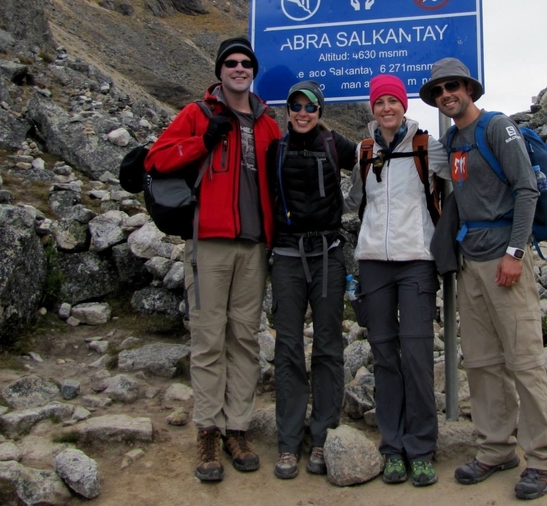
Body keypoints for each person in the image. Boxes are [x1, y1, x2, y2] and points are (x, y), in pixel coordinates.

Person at [419, 57, 547, 500]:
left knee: (523, 360)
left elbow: (526, 189)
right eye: (439, 91)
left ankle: (541, 458)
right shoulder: (455, 140)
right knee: (481, 362)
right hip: (471, 264)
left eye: (453, 87)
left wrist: (516, 252)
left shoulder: (497, 128)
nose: (446, 95)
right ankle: (495, 447)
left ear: (470, 89)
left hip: (505, 260)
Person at [145, 36, 280, 483]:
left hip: (254, 245)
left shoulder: (268, 123)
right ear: (220, 70)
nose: (239, 69)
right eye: (231, 63)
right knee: (208, 340)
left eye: (246, 63)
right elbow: (157, 158)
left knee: (244, 339)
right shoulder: (197, 114)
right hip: (209, 242)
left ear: (252, 70)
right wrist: (203, 141)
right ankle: (208, 430)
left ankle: (237, 428)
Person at [344, 74, 450, 487]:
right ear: (372, 109)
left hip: (417, 262)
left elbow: (458, 186)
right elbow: (354, 199)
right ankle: (392, 448)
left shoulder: (429, 148)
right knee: (385, 356)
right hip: (373, 261)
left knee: (418, 357)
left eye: (393, 100)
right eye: (379, 102)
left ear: (404, 105)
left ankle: (421, 448)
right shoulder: (364, 151)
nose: (386, 108)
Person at [267, 80, 357, 479]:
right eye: (296, 106)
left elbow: (379, 162)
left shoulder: (336, 144)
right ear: (287, 110)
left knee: (327, 345)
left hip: (328, 255)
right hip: (286, 255)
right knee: (287, 347)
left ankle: (322, 435)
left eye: (311, 107)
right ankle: (288, 442)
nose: (303, 113)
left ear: (321, 111)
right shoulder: (275, 149)